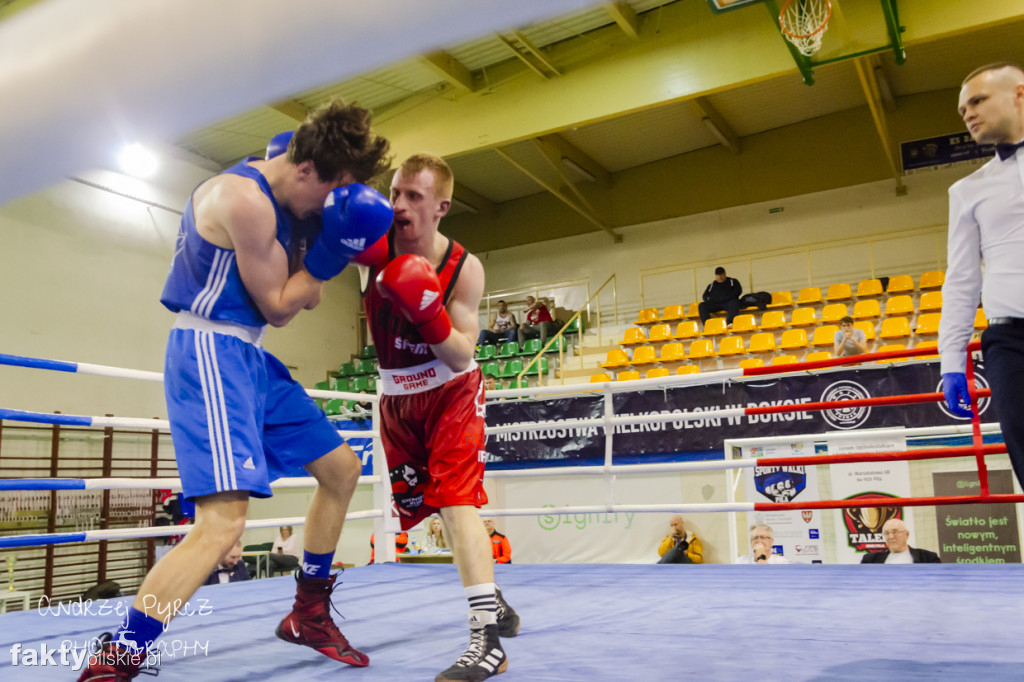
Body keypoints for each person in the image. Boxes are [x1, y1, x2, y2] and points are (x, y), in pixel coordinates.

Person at [79, 101, 393, 681]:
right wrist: (332, 250)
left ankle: (308, 613)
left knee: (342, 469)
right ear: (306, 171)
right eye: (328, 196)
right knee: (222, 524)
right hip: (209, 353)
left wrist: (315, 242)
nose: (328, 207)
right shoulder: (245, 200)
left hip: (247, 358)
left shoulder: (286, 192)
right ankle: (114, 662)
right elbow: (280, 307)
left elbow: (309, 298)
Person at [363, 153, 520, 681]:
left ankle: (487, 639)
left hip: (450, 391)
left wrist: (425, 309)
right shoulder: (371, 246)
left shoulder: (464, 268)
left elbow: (460, 353)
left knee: (456, 501)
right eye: (395, 193)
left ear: (442, 207)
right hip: (396, 399)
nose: (399, 205)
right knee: (428, 510)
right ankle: (491, 597)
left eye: (413, 196)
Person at [940, 62, 1024, 493]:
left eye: (977, 101)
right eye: (962, 109)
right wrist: (951, 362)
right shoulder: (966, 190)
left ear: (1019, 94)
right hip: (1012, 345)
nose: (968, 113)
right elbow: (961, 280)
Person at [861, 518, 941, 564]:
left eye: (895, 532)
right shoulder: (870, 560)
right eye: (887, 533)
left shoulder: (928, 558)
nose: (891, 537)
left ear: (907, 534)